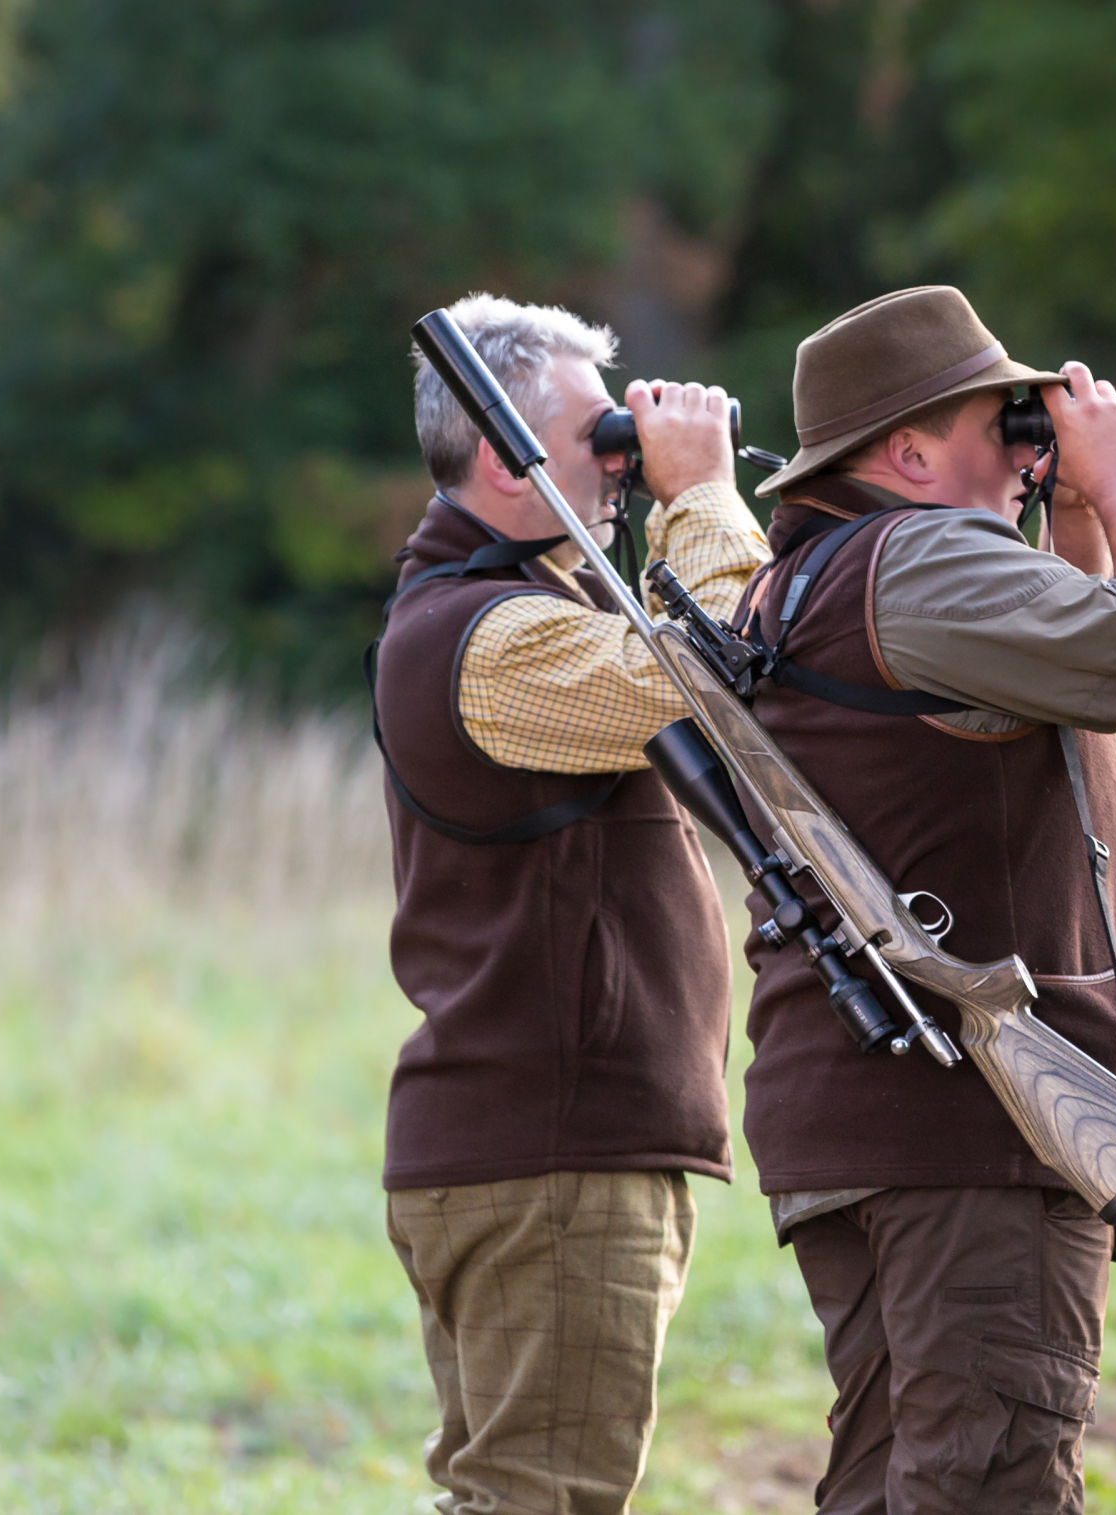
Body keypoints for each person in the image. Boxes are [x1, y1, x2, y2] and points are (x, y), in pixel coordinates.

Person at [731, 284, 1116, 1514]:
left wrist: (1069, 516)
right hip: (973, 1133)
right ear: (905, 453)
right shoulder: (923, 559)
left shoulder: (813, 579)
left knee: (897, 1482)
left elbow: (1068, 668)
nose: (1026, 436)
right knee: (990, 1488)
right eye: (995, 417)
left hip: (872, 1120)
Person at [373, 293, 770, 1514]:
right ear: (505, 456)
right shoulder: (491, 638)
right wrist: (698, 493)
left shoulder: (520, 607)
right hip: (553, 1151)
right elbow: (724, 678)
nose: (625, 457)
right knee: (544, 1502)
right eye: (603, 436)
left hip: (533, 1144)